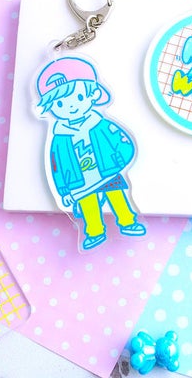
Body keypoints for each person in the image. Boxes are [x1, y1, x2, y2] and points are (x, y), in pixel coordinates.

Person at [36, 56, 145, 250]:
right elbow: (56, 165)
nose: (70, 106)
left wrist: (121, 159)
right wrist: (64, 190)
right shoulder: (60, 137)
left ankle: (128, 222)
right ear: (51, 107)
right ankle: (94, 232)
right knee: (89, 206)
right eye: (60, 104)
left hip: (107, 171)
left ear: (92, 95)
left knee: (117, 197)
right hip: (80, 181)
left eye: (78, 98)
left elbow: (119, 140)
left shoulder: (99, 124)